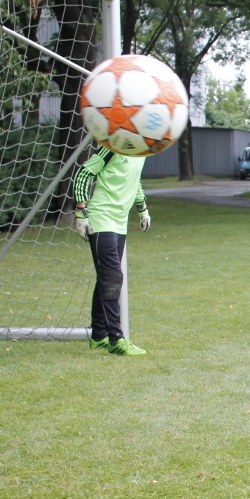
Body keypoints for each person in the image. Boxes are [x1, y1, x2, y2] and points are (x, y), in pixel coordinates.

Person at [73, 147, 151, 355]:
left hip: (119, 223)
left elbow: (135, 181)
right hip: (101, 219)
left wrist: (142, 210)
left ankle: (99, 336)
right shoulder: (111, 147)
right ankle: (116, 339)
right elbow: (82, 174)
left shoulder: (142, 152)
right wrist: (81, 214)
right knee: (112, 277)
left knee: (105, 279)